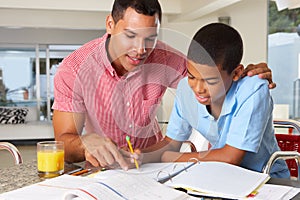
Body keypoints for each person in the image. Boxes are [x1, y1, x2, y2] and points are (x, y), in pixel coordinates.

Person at [52, 0, 276, 170]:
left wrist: (249, 74)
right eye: (130, 35)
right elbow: (63, 142)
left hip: (151, 166)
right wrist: (84, 143)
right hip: (103, 168)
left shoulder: (166, 59)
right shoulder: (74, 69)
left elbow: (209, 71)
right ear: (110, 24)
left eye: (150, 38)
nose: (141, 50)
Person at [140, 23, 289, 178]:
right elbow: (171, 144)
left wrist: (172, 158)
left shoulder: (253, 88)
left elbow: (230, 157)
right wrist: (139, 156)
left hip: (265, 179)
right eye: (192, 76)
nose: (198, 88)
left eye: (210, 81)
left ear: (236, 73)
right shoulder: (185, 88)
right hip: (221, 177)